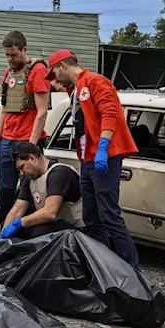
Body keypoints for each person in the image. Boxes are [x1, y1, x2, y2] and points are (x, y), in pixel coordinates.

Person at [45, 49, 140, 269]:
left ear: (63, 66)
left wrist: (103, 148)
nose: (55, 80)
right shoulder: (76, 89)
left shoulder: (96, 81)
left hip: (103, 158)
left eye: (55, 74)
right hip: (88, 159)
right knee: (90, 215)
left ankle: (131, 268)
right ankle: (103, 264)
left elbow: (110, 113)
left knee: (109, 214)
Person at [0, 30, 52, 227]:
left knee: (33, 190)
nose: (10, 59)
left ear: (24, 49)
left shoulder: (37, 70)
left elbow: (42, 112)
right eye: (7, 55)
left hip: (27, 139)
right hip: (7, 140)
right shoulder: (8, 73)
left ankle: (30, 232)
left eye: (13, 55)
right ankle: (5, 235)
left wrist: (30, 146)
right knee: (5, 191)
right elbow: (4, 109)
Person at [0, 142, 85, 240]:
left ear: (32, 158)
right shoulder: (31, 178)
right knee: (17, 231)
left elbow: (50, 213)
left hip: (75, 231)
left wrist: (20, 223)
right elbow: (17, 210)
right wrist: (4, 234)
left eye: (22, 167)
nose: (22, 173)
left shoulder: (60, 173)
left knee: (38, 233)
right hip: (56, 226)